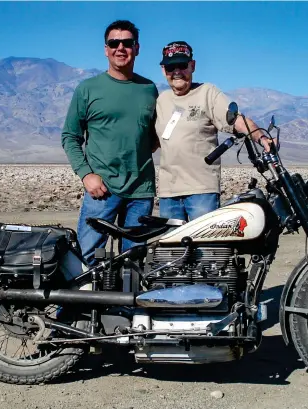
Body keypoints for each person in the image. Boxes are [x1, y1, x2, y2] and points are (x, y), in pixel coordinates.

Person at [61, 20, 159, 267]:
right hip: (101, 189)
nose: (120, 48)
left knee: (134, 262)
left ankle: (127, 307)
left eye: (127, 43)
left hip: (141, 190)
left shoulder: (149, 89)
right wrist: (86, 175)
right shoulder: (88, 89)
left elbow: (155, 136)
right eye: (114, 43)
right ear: (106, 49)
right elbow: (70, 136)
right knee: (87, 258)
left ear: (137, 48)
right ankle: (82, 307)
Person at [154, 41, 272, 222]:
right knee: (172, 249)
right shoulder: (161, 100)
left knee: (206, 248)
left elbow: (235, 119)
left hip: (202, 191)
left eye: (182, 65)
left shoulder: (207, 93)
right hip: (168, 193)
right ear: (164, 70)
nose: (176, 71)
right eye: (171, 67)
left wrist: (261, 137)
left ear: (192, 66)